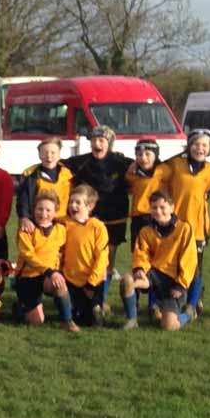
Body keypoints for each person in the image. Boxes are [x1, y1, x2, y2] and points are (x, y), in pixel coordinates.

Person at [62, 126, 131, 309]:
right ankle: (78, 294)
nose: (97, 144)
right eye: (94, 140)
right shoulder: (81, 162)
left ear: (109, 143)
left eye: (101, 141)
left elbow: (145, 169)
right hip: (88, 221)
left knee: (106, 261)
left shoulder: (121, 162)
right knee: (84, 258)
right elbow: (57, 165)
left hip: (115, 218)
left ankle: (102, 299)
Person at [160, 129, 210, 315]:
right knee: (173, 263)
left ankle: (194, 302)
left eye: (204, 145)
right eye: (196, 144)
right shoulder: (174, 164)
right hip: (174, 225)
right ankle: (171, 299)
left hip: (198, 228)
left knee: (195, 267)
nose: (200, 148)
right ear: (189, 146)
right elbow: (156, 174)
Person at [128, 190, 198, 331]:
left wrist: (180, 284)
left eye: (162, 207)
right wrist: (140, 269)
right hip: (154, 276)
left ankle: (188, 314)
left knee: (169, 326)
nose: (158, 212)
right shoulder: (146, 231)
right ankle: (131, 319)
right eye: (154, 208)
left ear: (172, 208)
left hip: (174, 281)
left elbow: (189, 260)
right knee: (128, 281)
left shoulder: (184, 229)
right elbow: (141, 254)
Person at [13, 192, 76, 332]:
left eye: (48, 210)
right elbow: (28, 256)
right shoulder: (26, 230)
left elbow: (64, 251)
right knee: (37, 321)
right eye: (39, 209)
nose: (43, 213)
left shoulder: (61, 230)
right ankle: (19, 308)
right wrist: (50, 271)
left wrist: (58, 270)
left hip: (48, 276)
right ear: (33, 209)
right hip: (27, 278)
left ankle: (67, 321)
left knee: (59, 282)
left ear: (55, 212)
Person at [61, 184, 110, 328]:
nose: (72, 205)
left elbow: (102, 257)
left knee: (93, 321)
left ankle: (99, 308)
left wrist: (92, 282)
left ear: (90, 206)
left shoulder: (98, 227)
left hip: (92, 281)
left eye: (78, 202)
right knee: (77, 317)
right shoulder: (64, 223)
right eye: (71, 202)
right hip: (71, 279)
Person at [17, 137, 74, 231]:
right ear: (39, 155)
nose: (49, 156)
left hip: (63, 223)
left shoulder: (68, 174)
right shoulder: (31, 174)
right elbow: (23, 199)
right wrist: (24, 217)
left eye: (53, 152)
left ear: (59, 155)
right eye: (45, 152)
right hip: (40, 222)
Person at [125, 140, 168, 245]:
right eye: (139, 155)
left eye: (148, 154)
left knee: (158, 252)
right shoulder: (131, 174)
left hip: (159, 215)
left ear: (156, 155)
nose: (143, 158)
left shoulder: (165, 171)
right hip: (138, 218)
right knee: (138, 251)